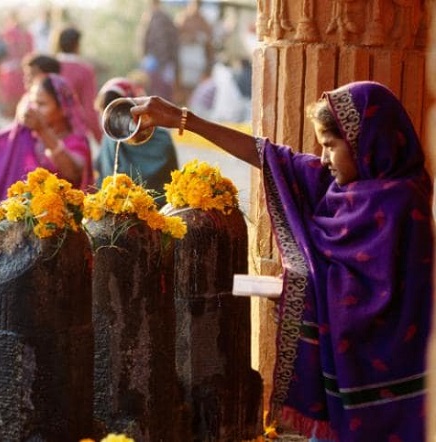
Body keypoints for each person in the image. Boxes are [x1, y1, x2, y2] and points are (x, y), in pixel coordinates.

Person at [130, 81, 433, 441]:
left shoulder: (402, 205)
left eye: (331, 147)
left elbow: (379, 300)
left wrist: (300, 294)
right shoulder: (339, 189)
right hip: (342, 398)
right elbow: (267, 155)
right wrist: (183, 119)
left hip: (393, 395)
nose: (322, 158)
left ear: (365, 144)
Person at [0, 73, 93, 219]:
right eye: (33, 103)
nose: (34, 109)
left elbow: (73, 172)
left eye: (42, 104)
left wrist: (43, 131)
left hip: (61, 221)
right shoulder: (28, 137)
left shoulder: (76, 141)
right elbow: (2, 142)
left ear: (62, 108)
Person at [94, 77, 178, 206]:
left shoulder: (161, 139)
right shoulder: (109, 140)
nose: (116, 121)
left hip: (162, 216)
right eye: (107, 115)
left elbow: (171, 186)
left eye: (121, 114)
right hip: (116, 215)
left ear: (137, 109)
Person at [53, 26, 102, 143]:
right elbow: (89, 110)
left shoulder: (50, 66)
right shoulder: (84, 70)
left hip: (51, 134)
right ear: (77, 45)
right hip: (75, 135)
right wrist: (100, 139)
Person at [136, 0, 179, 101]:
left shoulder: (153, 17)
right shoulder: (164, 18)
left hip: (157, 60)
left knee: (154, 92)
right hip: (159, 60)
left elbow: (144, 41)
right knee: (159, 92)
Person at [175, 0, 215, 103]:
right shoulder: (183, 18)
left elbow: (209, 42)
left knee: (196, 88)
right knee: (183, 86)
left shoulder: (203, 21)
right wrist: (189, 38)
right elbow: (175, 37)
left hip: (198, 59)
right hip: (185, 59)